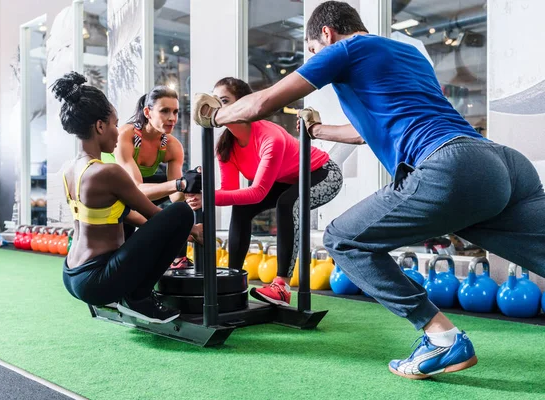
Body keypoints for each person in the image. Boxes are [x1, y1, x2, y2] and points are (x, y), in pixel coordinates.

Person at [192, 1, 545, 379]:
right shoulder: (407, 53)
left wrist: (216, 115)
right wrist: (319, 131)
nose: (314, 57)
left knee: (344, 240)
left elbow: (263, 102)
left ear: (325, 34)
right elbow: (368, 131)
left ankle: (441, 338)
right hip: (501, 163)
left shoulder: (345, 49)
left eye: (312, 51)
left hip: (450, 166)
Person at [52, 71, 203, 324]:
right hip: (98, 280)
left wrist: (188, 232)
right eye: (114, 124)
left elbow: (125, 215)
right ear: (99, 126)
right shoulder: (108, 171)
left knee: (164, 219)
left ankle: (131, 294)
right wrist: (192, 227)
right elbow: (157, 217)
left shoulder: (70, 169)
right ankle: (139, 298)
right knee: (181, 213)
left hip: (71, 274)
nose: (118, 131)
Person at [189, 77, 342, 306]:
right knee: (241, 208)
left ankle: (282, 286)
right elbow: (232, 193)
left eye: (224, 101)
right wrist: (203, 196)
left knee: (288, 204)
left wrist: (208, 198)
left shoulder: (271, 137)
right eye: (215, 102)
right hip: (285, 179)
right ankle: (233, 280)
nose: (218, 109)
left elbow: (258, 192)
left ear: (245, 104)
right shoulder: (225, 147)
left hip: (322, 173)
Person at [102, 86, 201, 269]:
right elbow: (136, 190)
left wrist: (191, 187)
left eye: (175, 112)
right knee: (125, 253)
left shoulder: (172, 146)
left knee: (180, 207)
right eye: (164, 111)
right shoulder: (126, 136)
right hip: (109, 191)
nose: (172, 118)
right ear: (147, 112)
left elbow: (175, 197)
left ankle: (179, 258)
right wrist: (180, 184)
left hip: (133, 189)